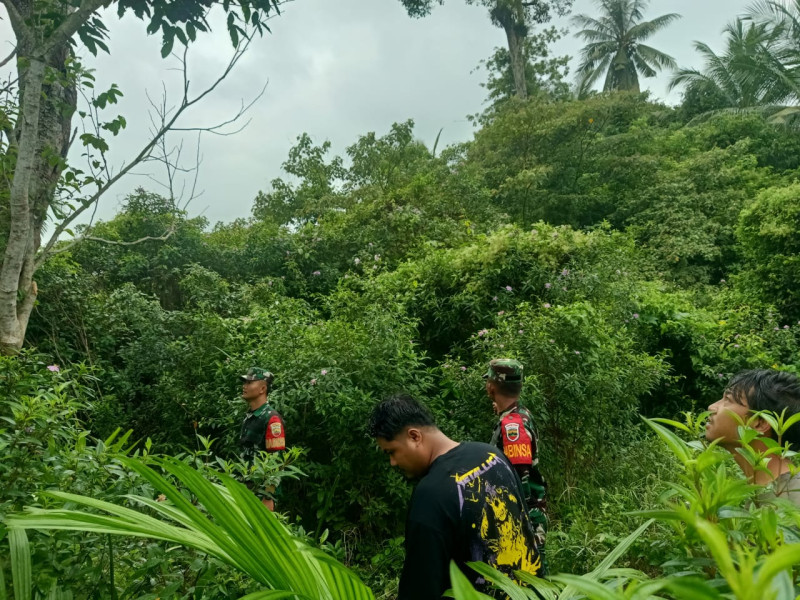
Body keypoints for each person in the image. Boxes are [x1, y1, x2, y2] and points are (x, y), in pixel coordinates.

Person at [368, 393, 542, 600]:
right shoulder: (491, 454)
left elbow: (421, 588)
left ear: (414, 436)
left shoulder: (431, 495)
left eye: (392, 452)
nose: (393, 463)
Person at [483, 359, 548, 566]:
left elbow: (519, 481)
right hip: (525, 517)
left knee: (529, 584)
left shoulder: (513, 427)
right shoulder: (519, 414)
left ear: (492, 387)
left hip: (522, 520)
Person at [706, 368, 800, 506]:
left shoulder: (791, 501)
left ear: (759, 423)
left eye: (728, 399)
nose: (711, 407)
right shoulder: (756, 497)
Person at [239, 366, 285, 510]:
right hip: (245, 488)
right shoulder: (250, 417)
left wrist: (268, 497)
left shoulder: (271, 418)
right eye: (245, 382)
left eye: (249, 383)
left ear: (262, 389)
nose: (244, 386)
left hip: (260, 492)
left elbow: (275, 460)